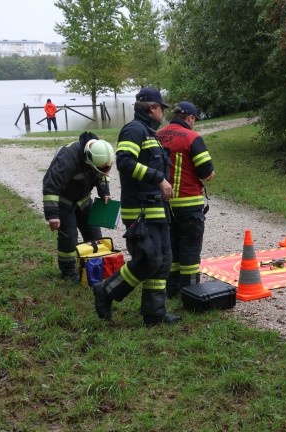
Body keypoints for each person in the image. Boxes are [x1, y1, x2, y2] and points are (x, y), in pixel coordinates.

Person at [91, 87, 181, 326]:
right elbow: (124, 162)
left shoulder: (150, 133)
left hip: (157, 209)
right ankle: (106, 290)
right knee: (149, 260)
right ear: (152, 108)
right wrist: (158, 178)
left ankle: (155, 314)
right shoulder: (134, 130)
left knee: (162, 260)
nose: (163, 112)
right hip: (141, 211)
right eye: (162, 108)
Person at [157, 101, 216, 298]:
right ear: (190, 118)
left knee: (172, 248)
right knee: (190, 251)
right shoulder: (192, 137)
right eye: (194, 120)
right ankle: (190, 293)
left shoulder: (158, 135)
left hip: (164, 204)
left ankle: (172, 291)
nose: (194, 123)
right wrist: (210, 175)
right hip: (189, 204)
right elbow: (205, 170)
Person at [43, 132, 114, 280]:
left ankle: (95, 268)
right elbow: (51, 186)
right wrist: (53, 215)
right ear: (88, 160)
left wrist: (104, 193)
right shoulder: (67, 158)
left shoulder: (99, 155)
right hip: (64, 201)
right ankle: (68, 272)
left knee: (94, 235)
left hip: (83, 199)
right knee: (69, 237)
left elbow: (102, 175)